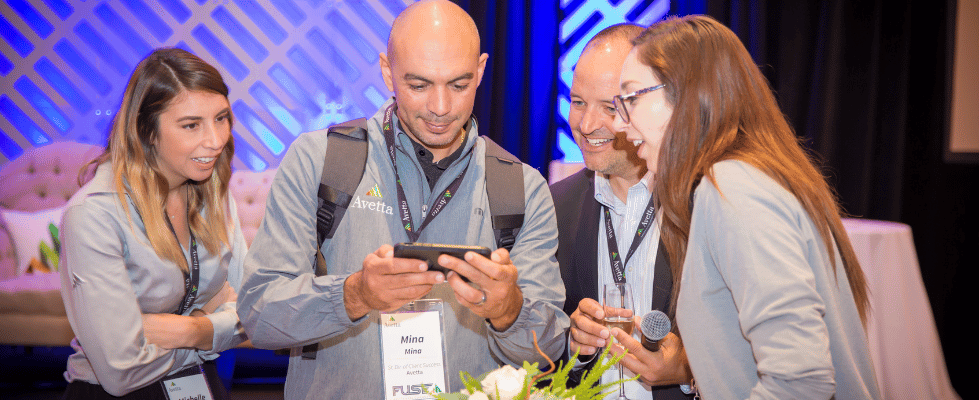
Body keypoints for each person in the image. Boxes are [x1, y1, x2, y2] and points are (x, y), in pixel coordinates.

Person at [236, 1, 568, 398]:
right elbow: (259, 315)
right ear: (386, 70)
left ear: (480, 70)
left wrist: (508, 311)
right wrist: (353, 294)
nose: (441, 108)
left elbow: (549, 352)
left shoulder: (523, 188)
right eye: (419, 85)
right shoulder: (320, 160)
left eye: (459, 85)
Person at [611, 15, 881, 399]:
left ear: (687, 93)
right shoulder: (748, 178)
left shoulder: (734, 187)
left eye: (633, 98)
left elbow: (801, 383)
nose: (621, 124)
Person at [58, 48, 247, 399]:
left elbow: (253, 311)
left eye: (221, 118)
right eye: (192, 125)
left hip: (201, 386)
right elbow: (120, 370)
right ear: (147, 132)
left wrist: (189, 331)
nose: (216, 140)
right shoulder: (95, 214)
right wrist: (214, 328)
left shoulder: (214, 194)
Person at [551, 24, 693, 400]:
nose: (586, 125)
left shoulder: (701, 204)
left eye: (610, 107)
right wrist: (574, 344)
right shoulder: (554, 206)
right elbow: (536, 351)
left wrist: (688, 371)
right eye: (578, 101)